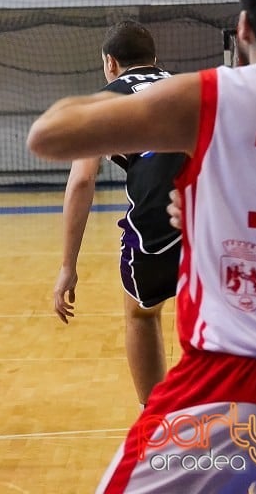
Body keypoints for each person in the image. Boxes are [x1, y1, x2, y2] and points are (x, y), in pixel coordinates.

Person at [27, 0, 256, 493]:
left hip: (235, 379)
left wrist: (120, 90)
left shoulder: (211, 94)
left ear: (244, 27)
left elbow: (48, 135)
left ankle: (148, 406)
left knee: (141, 316)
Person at [52, 21, 185, 408]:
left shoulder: (105, 101)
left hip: (158, 221)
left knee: (142, 314)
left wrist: (67, 266)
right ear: (155, 61)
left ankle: (157, 423)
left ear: (110, 63)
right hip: (217, 213)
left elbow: (81, 182)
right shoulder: (190, 85)